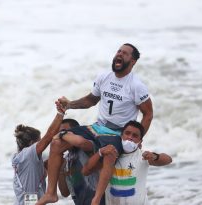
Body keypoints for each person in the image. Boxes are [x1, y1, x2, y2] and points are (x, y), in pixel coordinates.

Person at [37, 43, 153, 205]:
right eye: (118, 51)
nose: (119, 54)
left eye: (125, 53)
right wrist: (69, 105)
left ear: (132, 61)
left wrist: (136, 140)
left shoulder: (137, 86)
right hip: (96, 127)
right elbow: (90, 100)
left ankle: (96, 199)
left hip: (116, 133)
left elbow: (148, 114)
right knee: (57, 142)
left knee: (105, 152)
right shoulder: (104, 77)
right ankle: (51, 193)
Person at [83, 120, 172, 205]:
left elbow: (168, 160)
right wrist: (100, 152)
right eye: (127, 133)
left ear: (140, 141)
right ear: (121, 135)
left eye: (135, 135)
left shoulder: (142, 156)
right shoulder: (110, 155)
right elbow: (86, 171)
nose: (130, 138)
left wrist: (155, 156)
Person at [12, 102, 66, 205]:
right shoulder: (29, 154)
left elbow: (41, 171)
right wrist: (60, 113)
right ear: (32, 144)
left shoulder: (21, 157)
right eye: (39, 141)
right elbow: (49, 135)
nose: (42, 144)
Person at [57, 119, 105, 205]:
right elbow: (65, 193)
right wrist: (60, 169)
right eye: (59, 134)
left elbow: (81, 143)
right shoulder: (67, 159)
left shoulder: (88, 146)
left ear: (76, 132)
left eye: (64, 132)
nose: (61, 137)